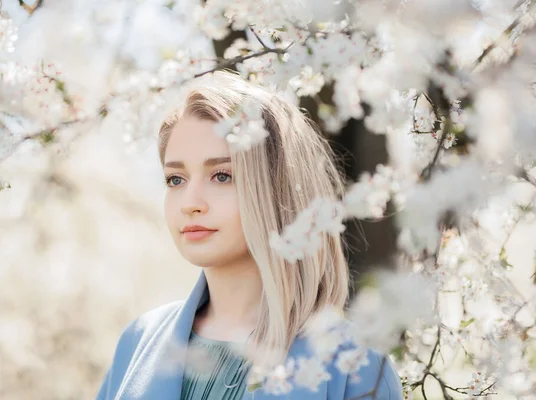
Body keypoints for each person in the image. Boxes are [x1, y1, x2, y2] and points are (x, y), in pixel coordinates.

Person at [95, 71, 403, 400]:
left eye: (222, 175)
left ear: (276, 187)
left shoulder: (356, 365)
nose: (191, 204)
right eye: (176, 179)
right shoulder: (138, 342)